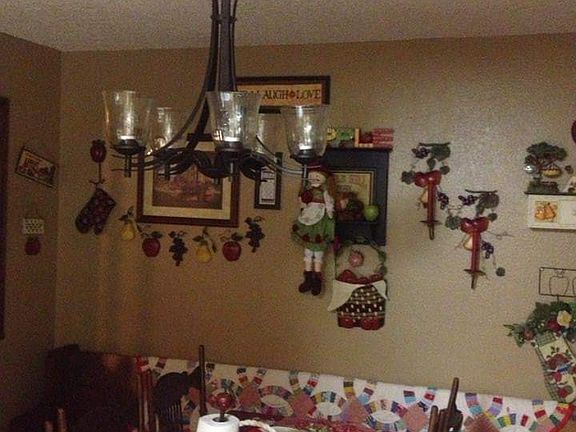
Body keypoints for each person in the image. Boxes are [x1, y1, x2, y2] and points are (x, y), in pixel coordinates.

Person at [291, 165, 336, 295]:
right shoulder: (308, 190)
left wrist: (330, 214)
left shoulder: (325, 191)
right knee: (308, 251)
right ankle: (308, 278)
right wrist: (302, 203)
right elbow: (302, 202)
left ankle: (317, 279)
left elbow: (329, 204)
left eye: (317, 175)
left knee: (318, 252)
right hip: (308, 216)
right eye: (311, 175)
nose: (314, 178)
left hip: (319, 218)